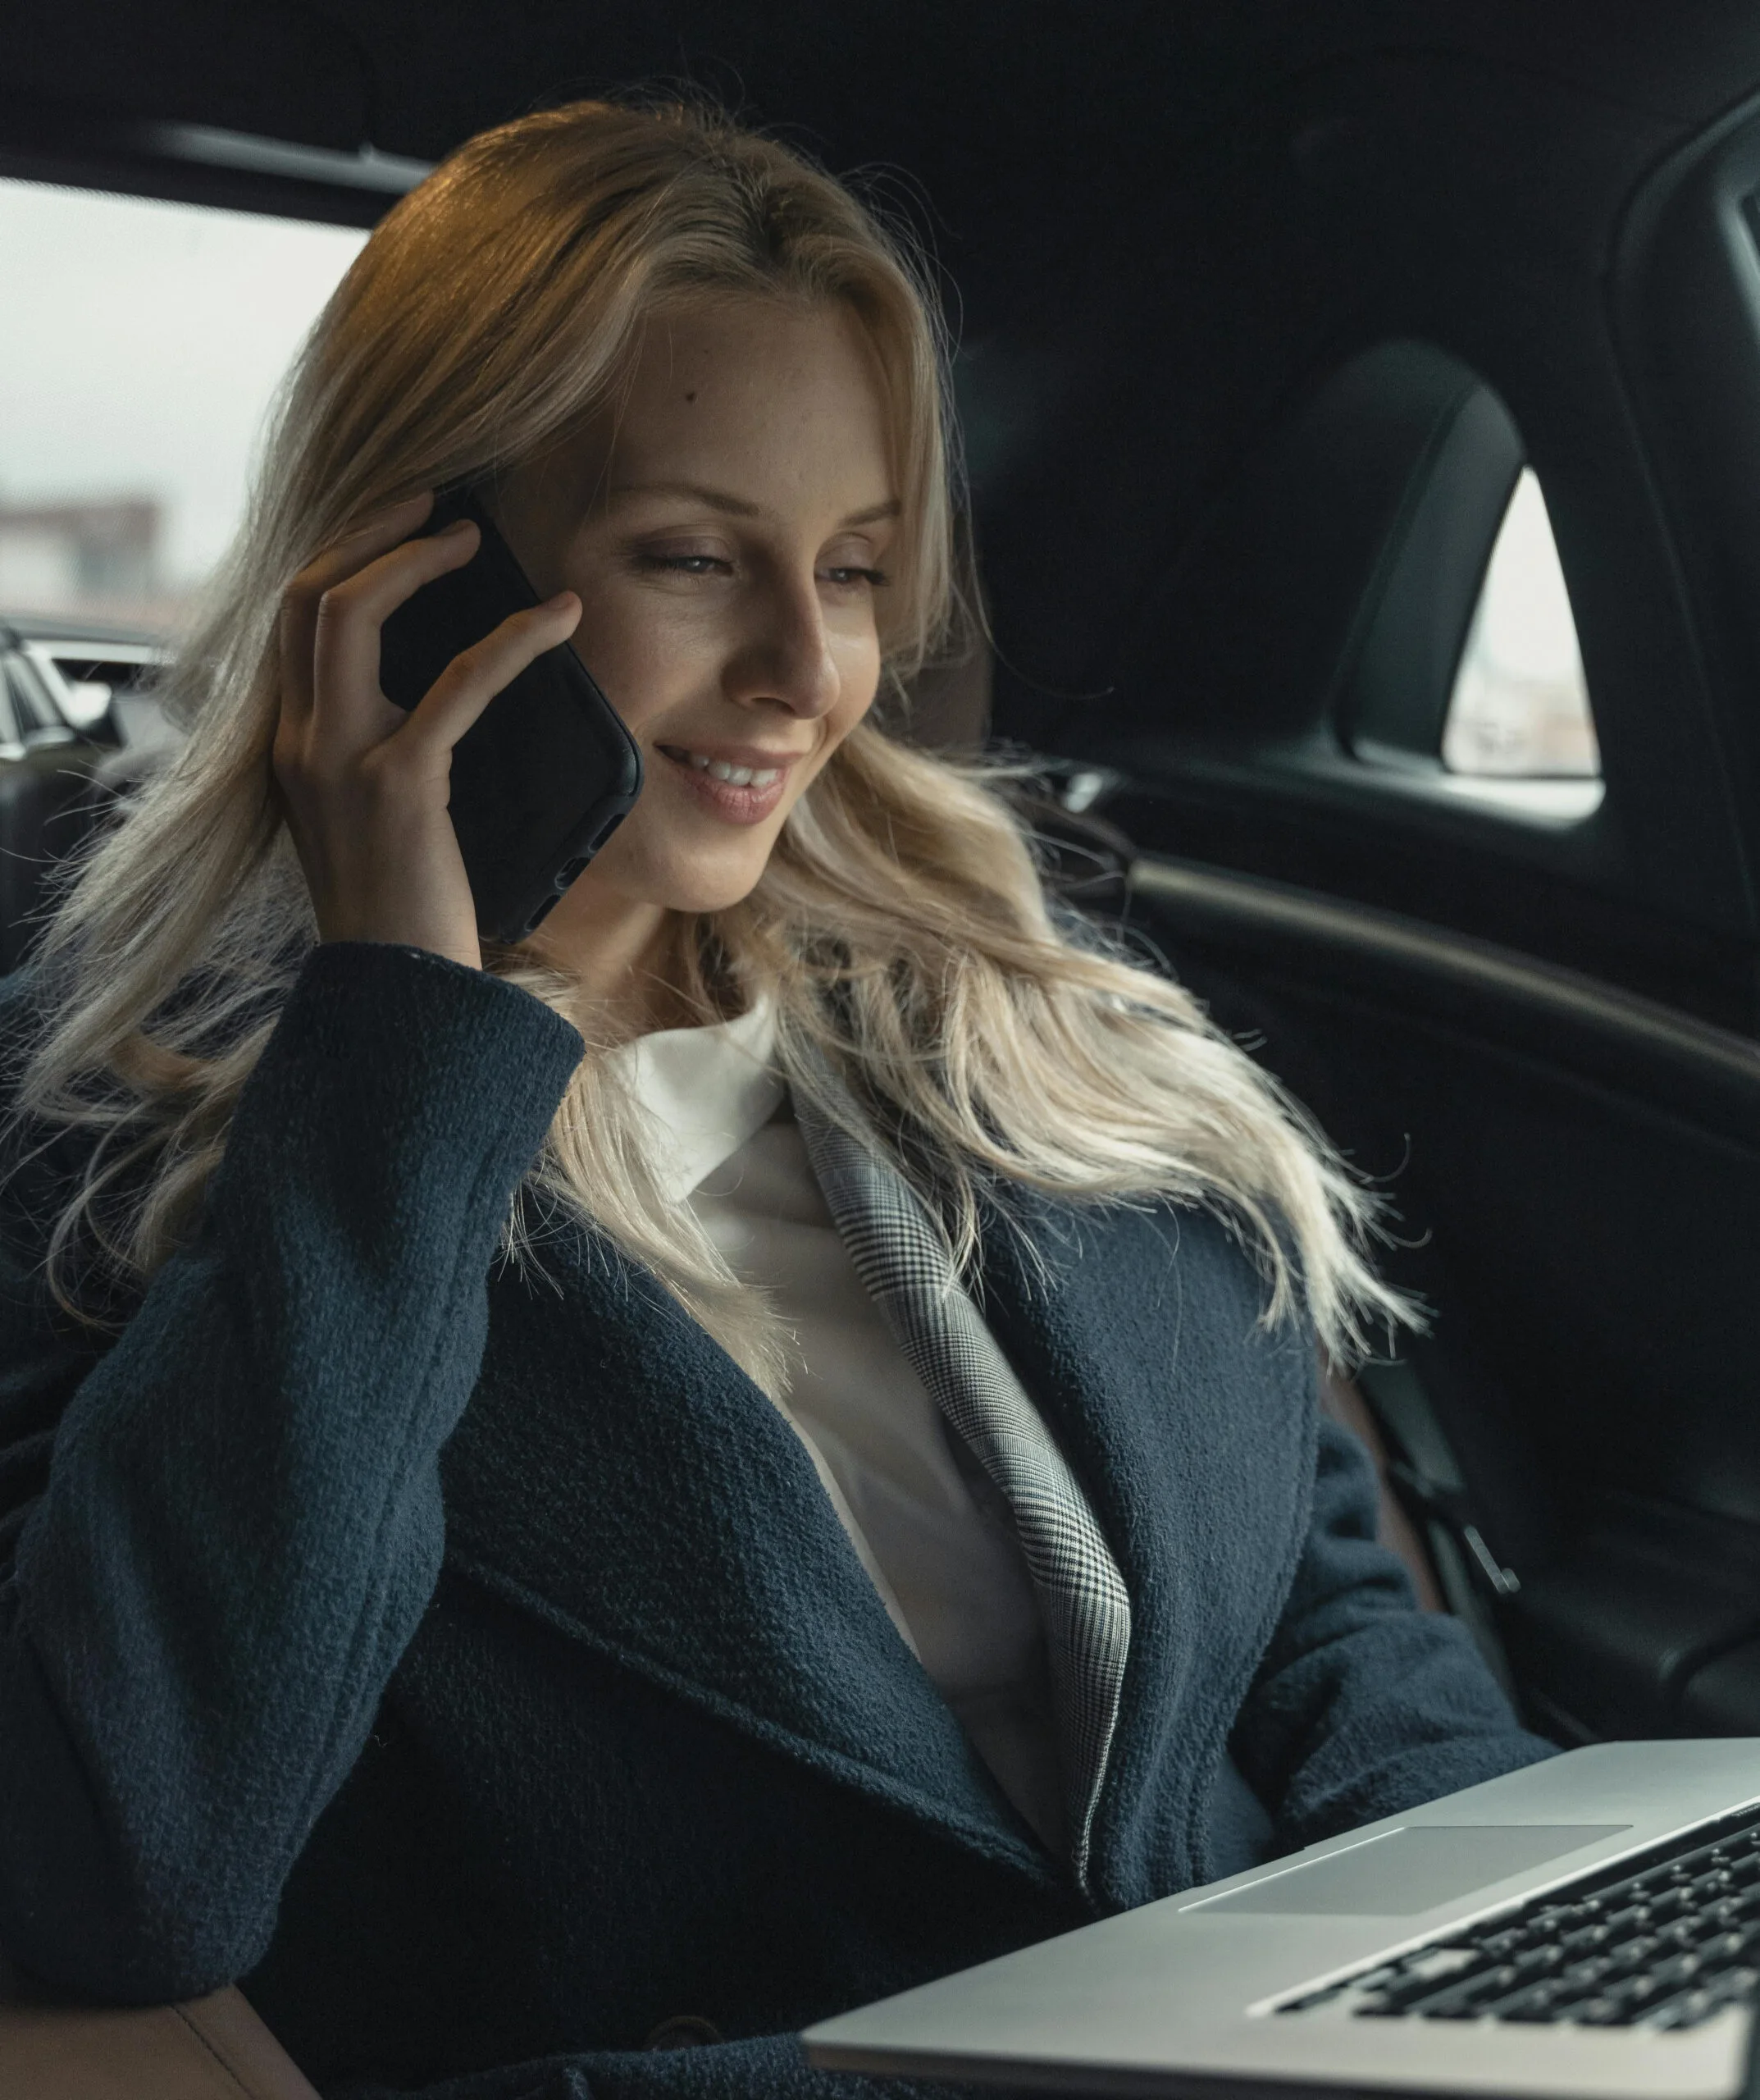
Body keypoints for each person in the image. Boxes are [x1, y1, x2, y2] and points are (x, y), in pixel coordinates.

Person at [0, 98, 1554, 2099]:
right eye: (690, 557)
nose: (803, 670)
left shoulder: (1025, 999)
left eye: (849, 566)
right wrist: (405, 1014)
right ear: (412, 574)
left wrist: (1521, 1926)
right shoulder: (136, 1119)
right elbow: (128, 1871)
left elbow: (1313, 1614)